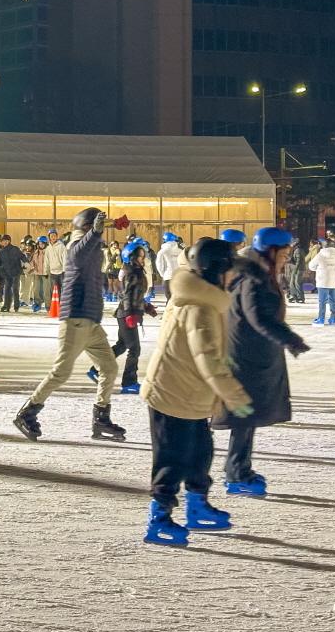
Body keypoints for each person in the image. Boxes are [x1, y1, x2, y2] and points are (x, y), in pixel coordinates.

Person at [141, 237, 251, 547]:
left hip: (191, 395)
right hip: (171, 395)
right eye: (231, 270)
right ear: (218, 271)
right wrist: (235, 395)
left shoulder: (205, 298)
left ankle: (197, 505)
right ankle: (158, 517)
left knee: (201, 451)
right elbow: (208, 359)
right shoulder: (199, 307)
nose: (235, 276)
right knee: (171, 459)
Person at [211, 228, 309, 497]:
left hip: (251, 353)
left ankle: (238, 468)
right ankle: (236, 473)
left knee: (248, 415)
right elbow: (258, 316)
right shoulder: (254, 276)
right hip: (247, 356)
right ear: (271, 251)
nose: (287, 259)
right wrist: (290, 339)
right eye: (285, 253)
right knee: (244, 416)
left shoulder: (254, 271)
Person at [13, 208, 126, 442]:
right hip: (75, 318)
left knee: (109, 368)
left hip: (91, 322)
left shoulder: (92, 243)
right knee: (61, 372)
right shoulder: (76, 244)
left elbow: (94, 240)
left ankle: (100, 419)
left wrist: (110, 226)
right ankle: (27, 413)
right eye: (95, 227)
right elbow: (77, 255)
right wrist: (95, 232)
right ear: (87, 227)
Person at [114, 238, 158, 394]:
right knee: (134, 348)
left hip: (128, 313)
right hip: (127, 314)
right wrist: (129, 314)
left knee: (122, 344)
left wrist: (147, 307)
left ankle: (97, 369)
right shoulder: (131, 272)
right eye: (139, 257)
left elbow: (136, 296)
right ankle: (129, 382)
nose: (142, 259)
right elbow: (126, 296)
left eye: (143, 256)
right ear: (131, 257)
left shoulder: (137, 271)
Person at [308, 238, 335, 326]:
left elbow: (311, 266)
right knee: (333, 301)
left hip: (323, 281)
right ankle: (333, 319)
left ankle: (321, 319)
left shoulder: (320, 255)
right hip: (334, 281)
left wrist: (318, 269)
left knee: (322, 301)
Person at [0, 234, 26, 312]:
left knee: (15, 289)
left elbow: (22, 256)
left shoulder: (15, 249)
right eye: (3, 241)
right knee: (7, 290)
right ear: (1, 242)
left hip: (16, 272)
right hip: (7, 274)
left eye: (6, 240)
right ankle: (6, 306)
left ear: (9, 241)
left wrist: (26, 262)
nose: (5, 242)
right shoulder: (1, 252)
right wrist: (1, 273)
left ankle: (16, 306)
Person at [154, 233, 184, 302]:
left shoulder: (163, 251)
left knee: (169, 299)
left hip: (168, 277)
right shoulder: (180, 251)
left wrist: (163, 274)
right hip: (179, 277)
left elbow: (159, 264)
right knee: (178, 300)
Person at [44, 228, 67, 297]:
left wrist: (64, 270)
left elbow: (65, 259)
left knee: (60, 290)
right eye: (51, 236)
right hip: (52, 272)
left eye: (54, 236)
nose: (53, 237)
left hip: (60, 272)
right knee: (53, 291)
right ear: (49, 237)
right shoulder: (48, 248)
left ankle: (61, 306)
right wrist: (45, 271)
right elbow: (46, 261)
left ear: (57, 236)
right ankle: (54, 306)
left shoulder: (61, 246)